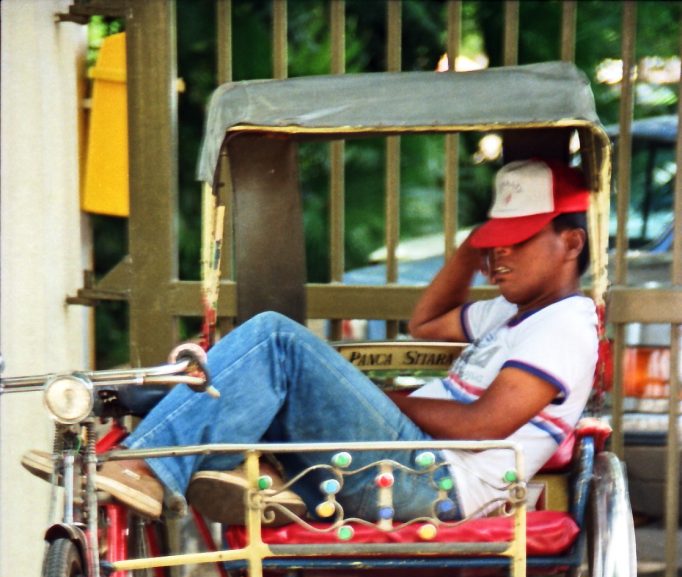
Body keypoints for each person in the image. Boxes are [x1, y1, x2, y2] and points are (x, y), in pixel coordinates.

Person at [23, 158, 598, 524]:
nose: (500, 255)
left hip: (433, 480)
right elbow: (428, 322)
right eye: (496, 242)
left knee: (276, 341)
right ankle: (209, 462)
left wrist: (382, 400)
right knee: (231, 378)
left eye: (518, 240)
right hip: (411, 460)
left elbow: (483, 425)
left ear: (571, 243)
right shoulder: (514, 312)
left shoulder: (565, 325)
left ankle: (148, 471)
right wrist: (477, 244)